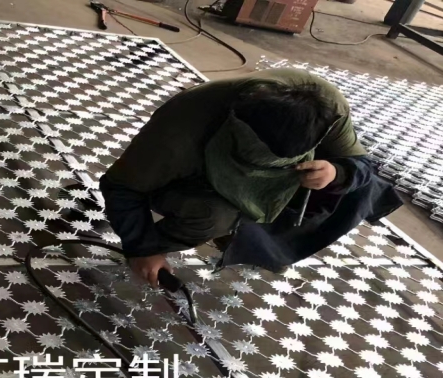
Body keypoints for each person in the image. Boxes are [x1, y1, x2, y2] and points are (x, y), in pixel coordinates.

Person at [99, 69, 402, 287]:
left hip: (282, 176)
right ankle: (225, 226)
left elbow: (363, 164)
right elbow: (121, 186)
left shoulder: (328, 111)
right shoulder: (180, 133)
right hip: (193, 178)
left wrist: (337, 173)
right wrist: (143, 248)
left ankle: (258, 241)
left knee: (362, 188)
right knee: (213, 216)